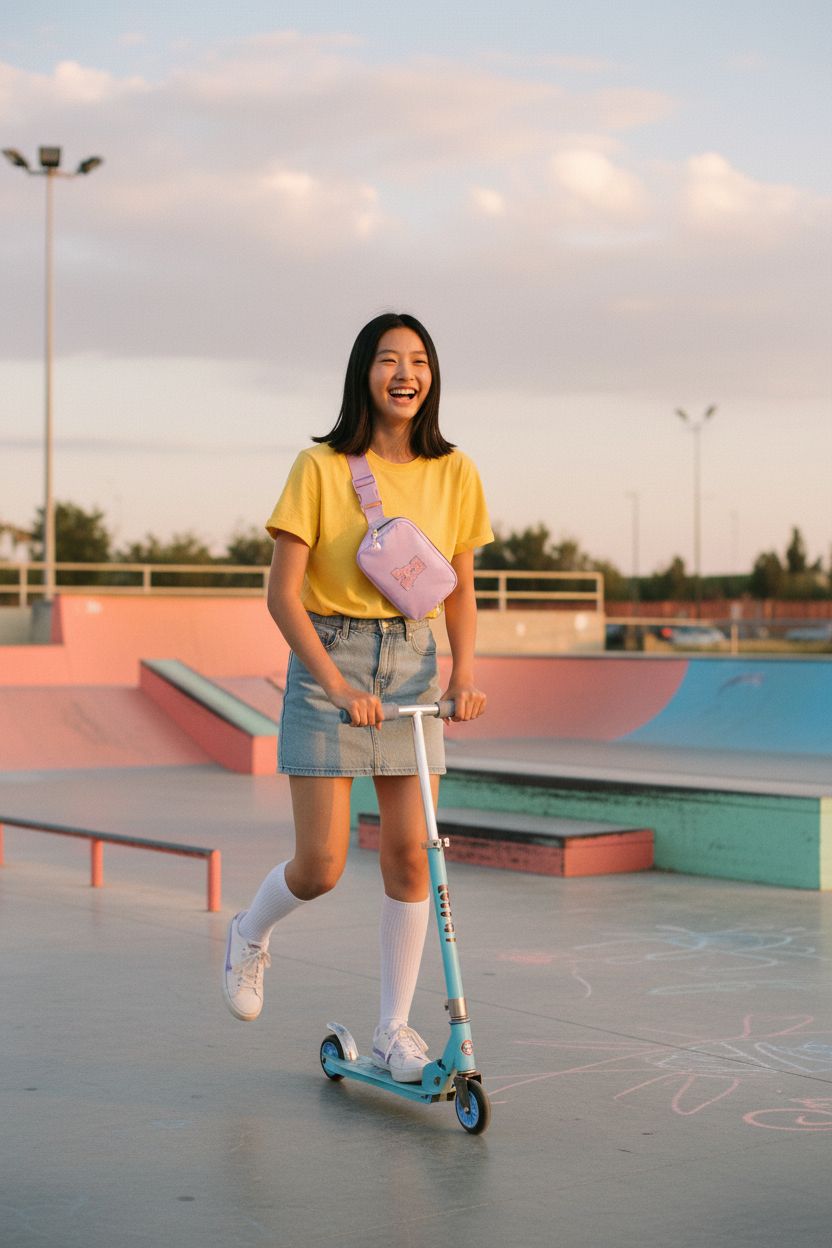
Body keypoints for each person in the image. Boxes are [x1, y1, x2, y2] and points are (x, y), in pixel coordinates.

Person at [222, 311, 493, 1083]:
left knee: (414, 859)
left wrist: (463, 674)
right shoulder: (319, 467)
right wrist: (336, 684)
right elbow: (282, 594)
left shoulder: (456, 471)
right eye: (387, 360)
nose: (404, 373)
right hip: (327, 661)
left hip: (413, 661)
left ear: (431, 377)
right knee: (323, 864)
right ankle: (248, 934)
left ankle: (391, 1032)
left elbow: (463, 588)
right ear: (363, 374)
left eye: (418, 360)